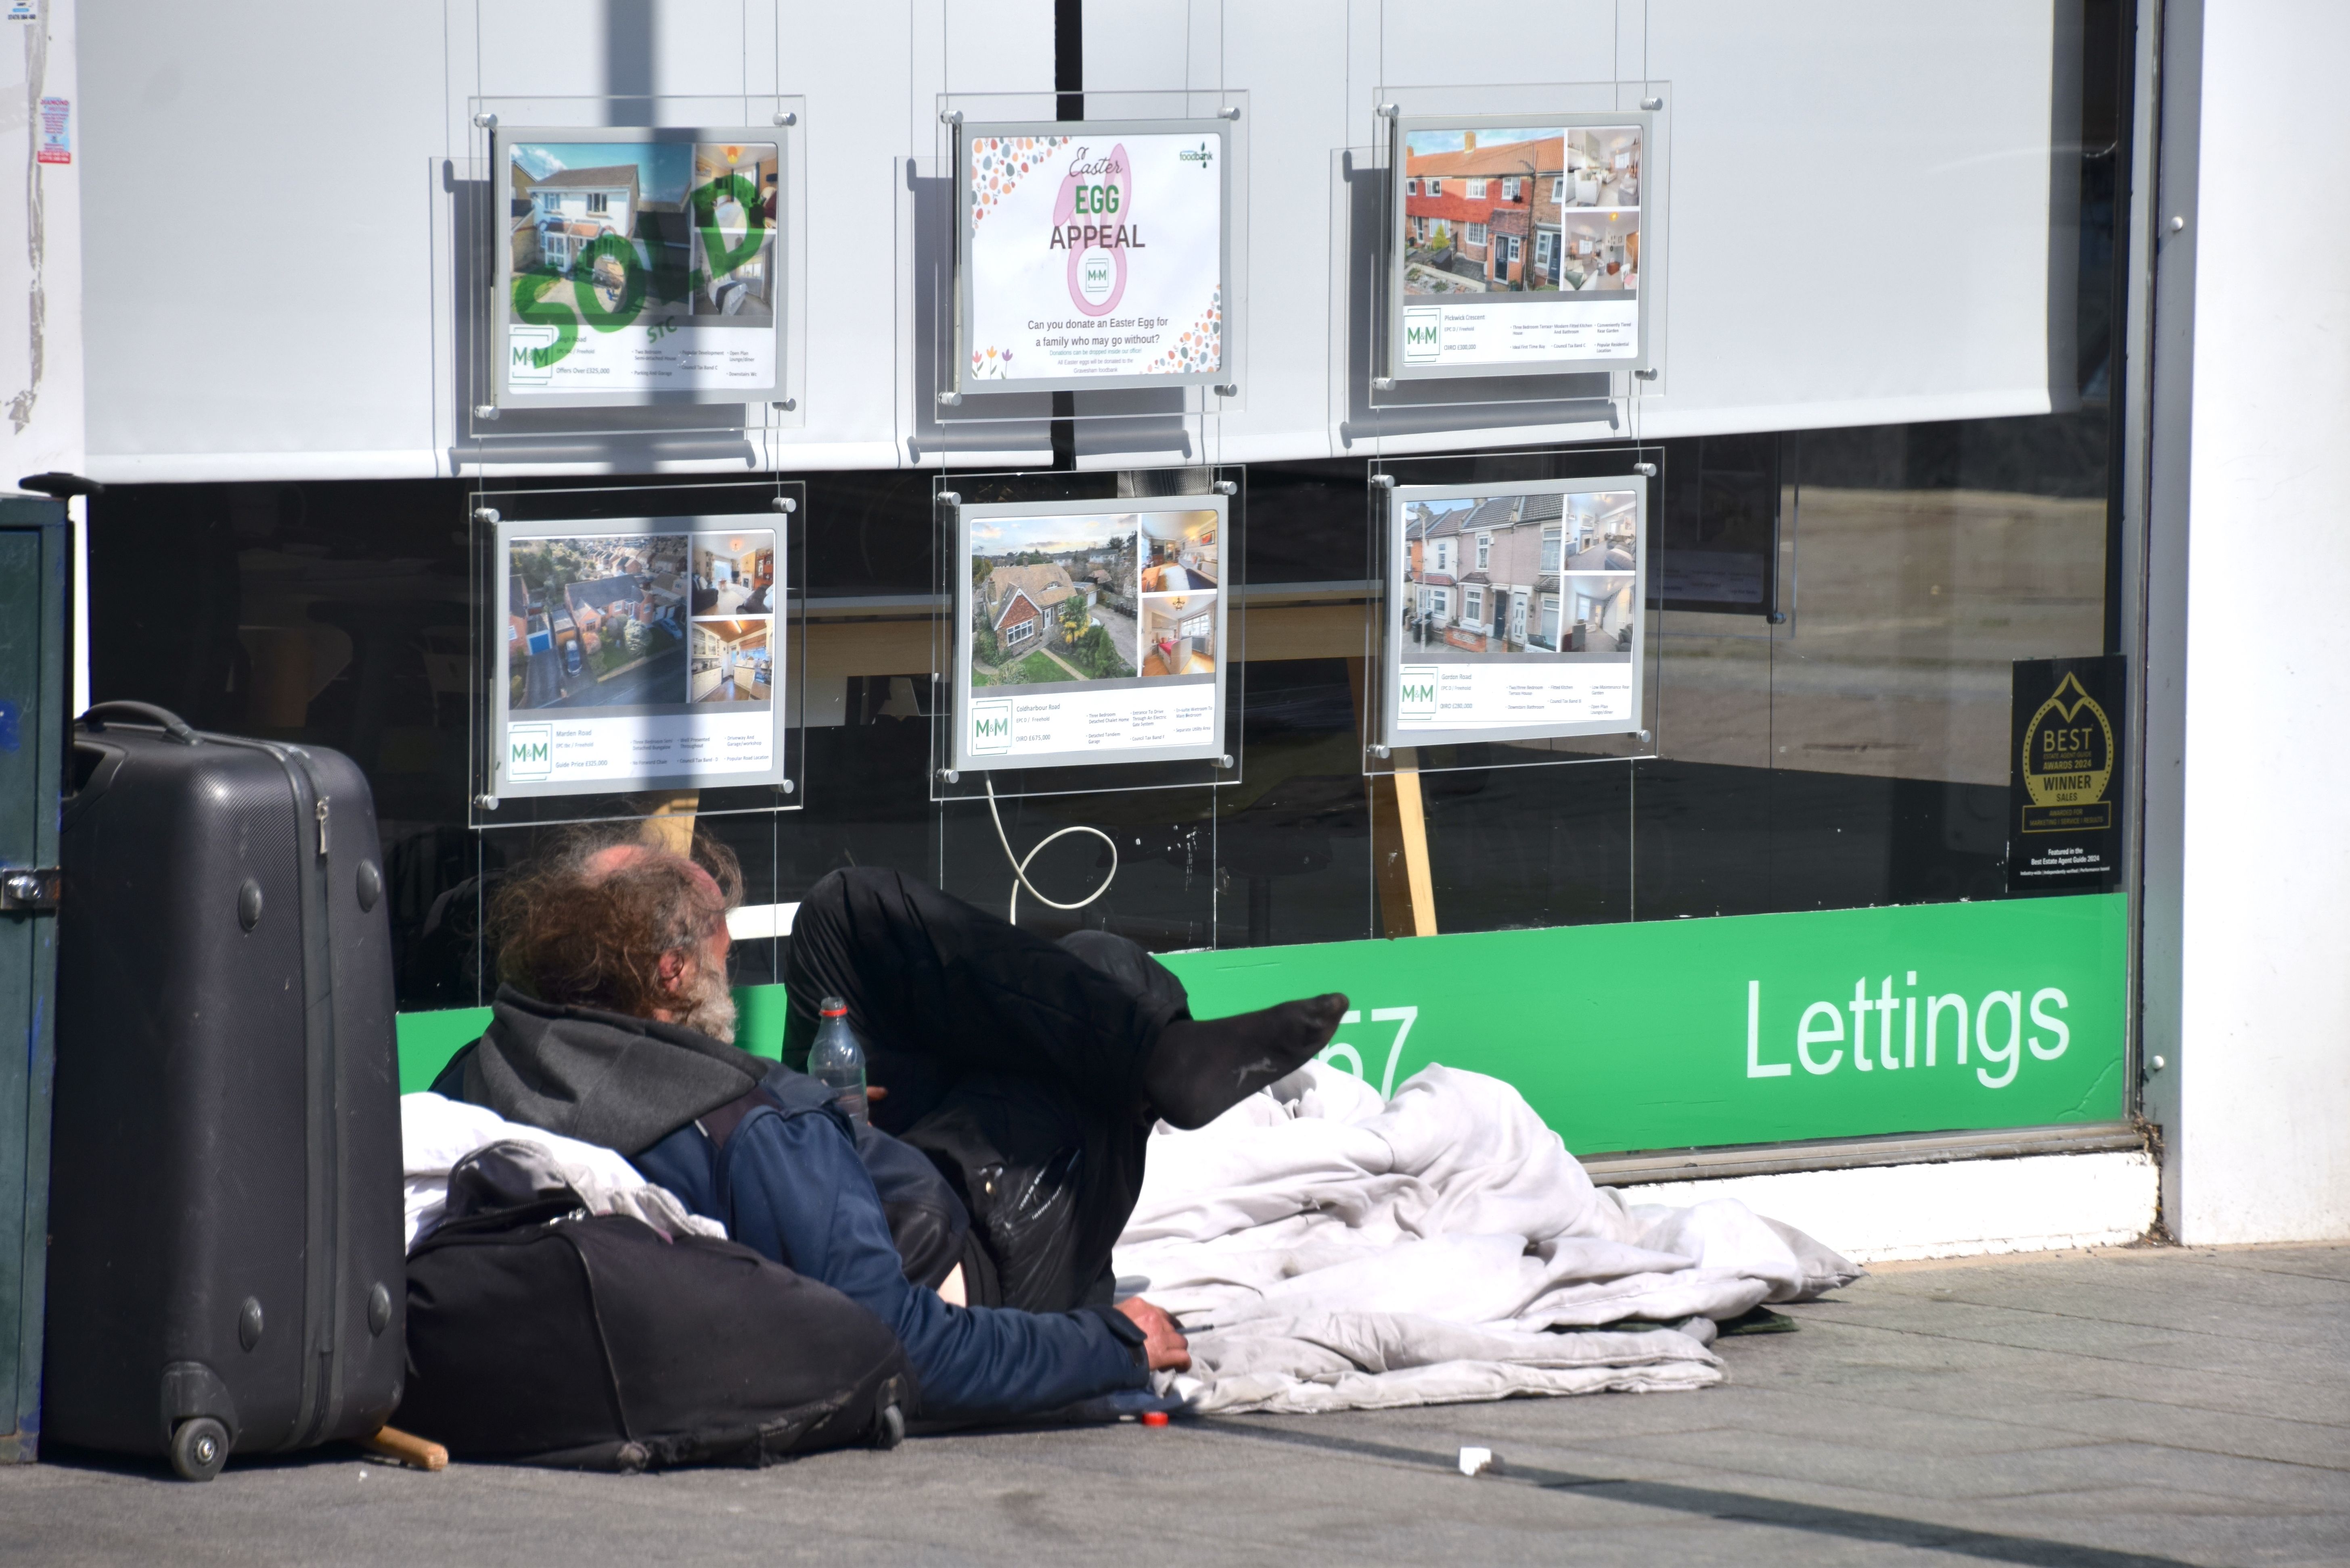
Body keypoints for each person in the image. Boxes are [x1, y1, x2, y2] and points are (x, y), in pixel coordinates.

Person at [431, 832, 1347, 1424]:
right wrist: (1107, 1341)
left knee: (846, 911)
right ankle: (1156, 1052)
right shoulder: (764, 1134)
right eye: (717, 937)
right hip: (977, 1263)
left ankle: (1146, 1047)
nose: (730, 948)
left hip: (863, 1181)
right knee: (1108, 967)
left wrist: (831, 1126)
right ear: (670, 973)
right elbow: (908, 1347)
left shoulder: (487, 1067)